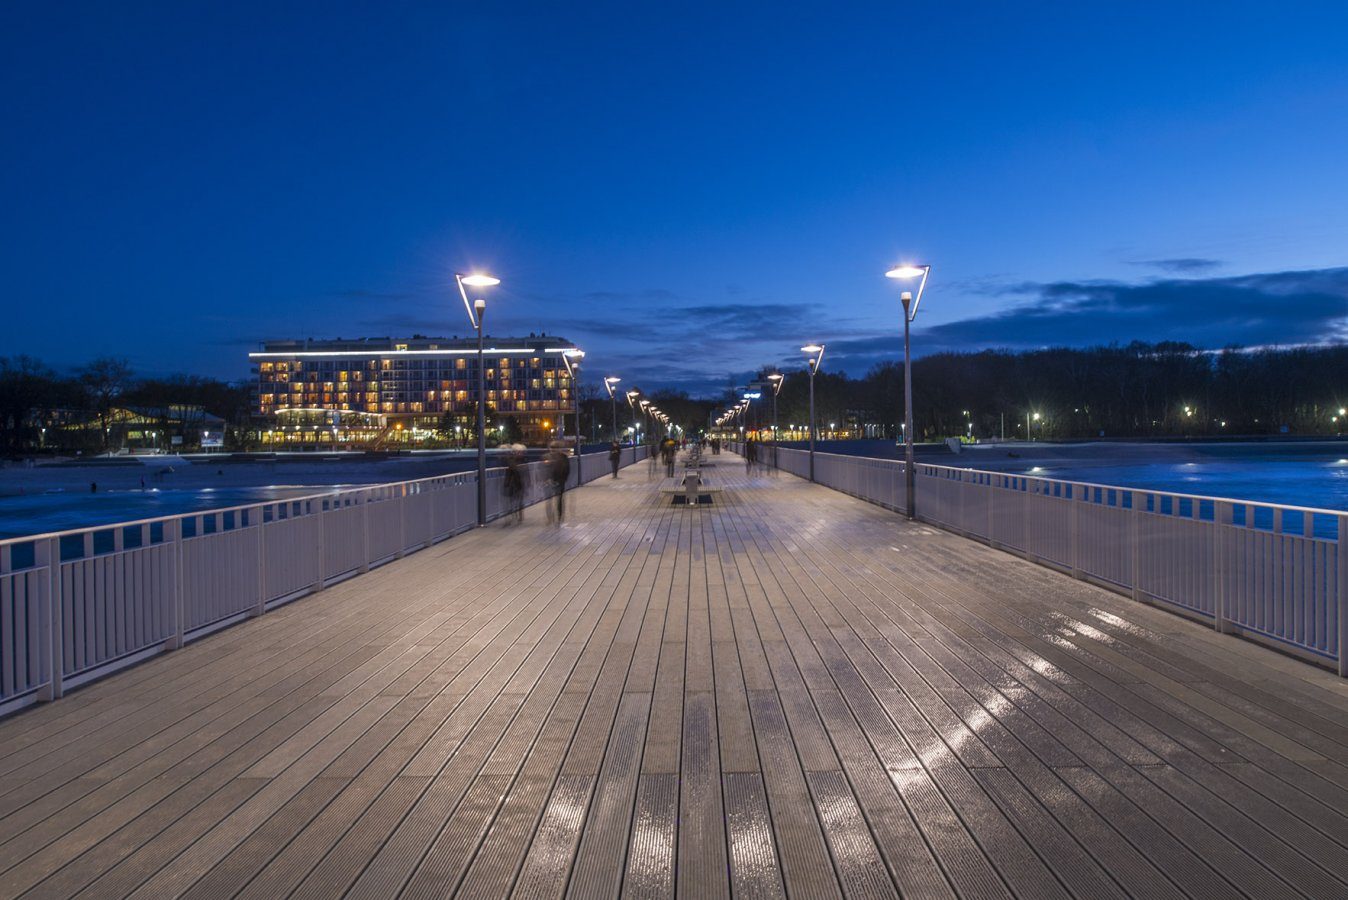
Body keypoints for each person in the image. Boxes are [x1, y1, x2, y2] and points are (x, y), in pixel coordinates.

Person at [546, 443, 571, 523]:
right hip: (553, 481)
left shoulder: (563, 457)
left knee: (558, 499)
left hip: (559, 481)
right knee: (553, 500)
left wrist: (563, 479)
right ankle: (553, 517)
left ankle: (558, 516)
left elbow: (566, 470)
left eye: (554, 448)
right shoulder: (548, 457)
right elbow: (545, 469)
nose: (552, 450)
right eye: (551, 448)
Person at [503, 447, 526, 524]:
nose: (518, 453)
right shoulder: (512, 461)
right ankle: (515, 515)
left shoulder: (522, 460)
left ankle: (518, 515)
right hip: (514, 483)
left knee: (518, 500)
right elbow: (509, 473)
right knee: (514, 500)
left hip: (519, 483)